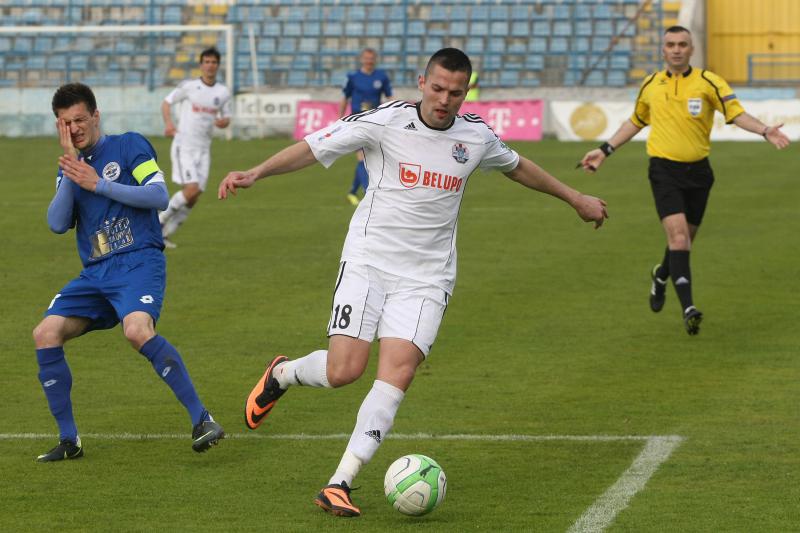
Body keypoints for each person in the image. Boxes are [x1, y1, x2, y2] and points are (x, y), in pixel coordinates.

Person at [218, 48, 608, 517]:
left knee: (396, 373)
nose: (445, 99)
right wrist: (256, 172)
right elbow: (314, 145)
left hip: (427, 275)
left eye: (456, 92)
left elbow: (518, 166)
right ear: (422, 81)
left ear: (467, 91)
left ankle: (339, 481)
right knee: (345, 371)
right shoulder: (384, 121)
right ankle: (283, 372)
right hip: (368, 261)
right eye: (438, 88)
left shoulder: (476, 136)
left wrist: (574, 198)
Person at [33, 83, 224, 462]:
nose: (75, 128)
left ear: (96, 115)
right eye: (66, 123)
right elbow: (57, 224)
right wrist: (75, 170)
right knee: (45, 333)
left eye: (80, 120)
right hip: (96, 274)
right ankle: (69, 441)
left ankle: (202, 419)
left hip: (138, 261)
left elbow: (157, 196)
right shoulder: (70, 168)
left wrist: (99, 183)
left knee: (137, 330)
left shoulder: (130, 145)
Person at [580, 26, 790, 336]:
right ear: (662, 50)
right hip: (663, 170)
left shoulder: (709, 82)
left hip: (700, 173)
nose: (676, 49)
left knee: (682, 242)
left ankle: (661, 275)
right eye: (671, 44)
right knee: (678, 239)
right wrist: (604, 150)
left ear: (692, 50)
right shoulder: (651, 84)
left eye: (682, 44)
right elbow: (636, 120)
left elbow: (735, 113)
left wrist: (763, 130)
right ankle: (689, 308)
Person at [159, 47, 231, 248]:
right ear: (201, 65)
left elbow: (226, 118)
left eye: (214, 62)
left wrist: (223, 123)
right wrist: (169, 124)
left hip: (204, 148)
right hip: (185, 145)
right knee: (191, 190)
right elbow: (166, 103)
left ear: (218, 65)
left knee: (194, 196)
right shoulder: (189, 86)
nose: (210, 65)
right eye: (206, 62)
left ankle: (165, 236)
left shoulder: (223, 92)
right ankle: (157, 223)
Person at [339, 47, 392, 206]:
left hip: (375, 121)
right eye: (366, 58)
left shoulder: (381, 77)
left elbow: (389, 97)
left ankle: (352, 192)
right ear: (361, 59)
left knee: (368, 157)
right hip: (357, 121)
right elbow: (345, 97)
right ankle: (368, 191)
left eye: (371, 58)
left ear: (375, 59)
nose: (369, 61)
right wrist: (340, 119)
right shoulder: (353, 77)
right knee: (362, 156)